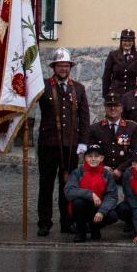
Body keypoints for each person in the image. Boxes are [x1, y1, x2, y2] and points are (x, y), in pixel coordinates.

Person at [33, 49, 90, 237]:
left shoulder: (79, 88)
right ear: (54, 68)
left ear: (70, 67)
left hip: (70, 145)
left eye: (66, 66)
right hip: (48, 145)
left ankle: (67, 221)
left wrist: (83, 142)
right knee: (46, 185)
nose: (63, 69)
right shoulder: (43, 87)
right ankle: (44, 222)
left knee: (68, 185)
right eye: (60, 66)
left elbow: (84, 118)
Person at [64, 143, 118, 242]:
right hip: (83, 207)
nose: (93, 159)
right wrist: (90, 194)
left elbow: (112, 196)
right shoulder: (78, 172)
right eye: (90, 156)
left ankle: (95, 228)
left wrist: (102, 211)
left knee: (113, 215)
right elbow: (69, 191)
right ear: (85, 158)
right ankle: (81, 232)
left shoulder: (107, 175)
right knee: (78, 203)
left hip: (98, 207)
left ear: (102, 158)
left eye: (96, 156)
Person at [86, 95, 137, 177]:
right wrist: (102, 167)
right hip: (102, 174)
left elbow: (136, 152)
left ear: (121, 108)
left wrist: (121, 169)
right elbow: (90, 152)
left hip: (126, 174)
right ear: (105, 108)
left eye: (116, 105)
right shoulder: (95, 129)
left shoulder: (132, 127)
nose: (113, 108)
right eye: (109, 105)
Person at [102, 28, 137, 102]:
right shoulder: (113, 55)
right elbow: (106, 77)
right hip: (116, 93)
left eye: (130, 41)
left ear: (133, 42)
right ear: (121, 41)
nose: (127, 43)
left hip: (132, 93)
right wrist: (105, 95)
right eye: (125, 40)